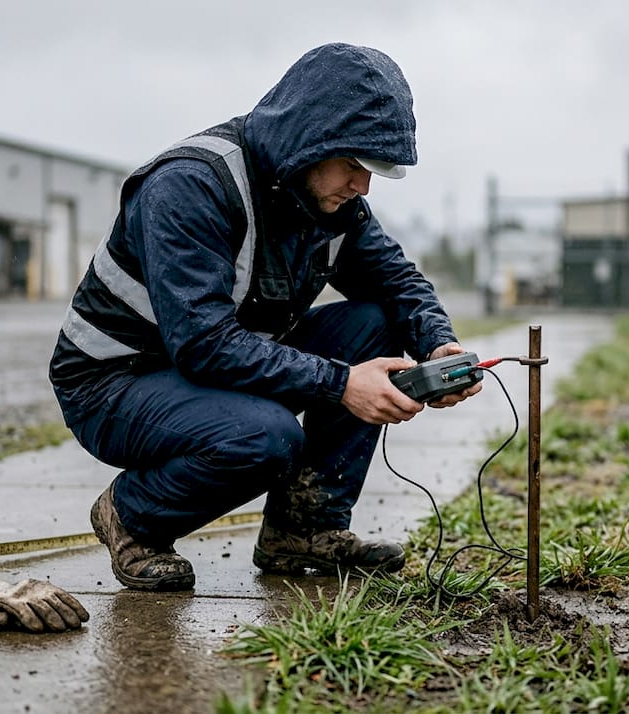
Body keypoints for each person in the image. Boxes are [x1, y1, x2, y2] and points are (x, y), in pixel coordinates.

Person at [48, 43, 480, 592]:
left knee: (375, 322)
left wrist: (439, 346)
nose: (363, 186)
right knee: (267, 439)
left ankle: (303, 529)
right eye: (354, 165)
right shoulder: (190, 187)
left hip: (204, 372)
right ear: (311, 139)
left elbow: (398, 284)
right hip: (113, 383)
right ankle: (133, 518)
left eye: (373, 171)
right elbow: (204, 343)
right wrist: (343, 382)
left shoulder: (326, 201)